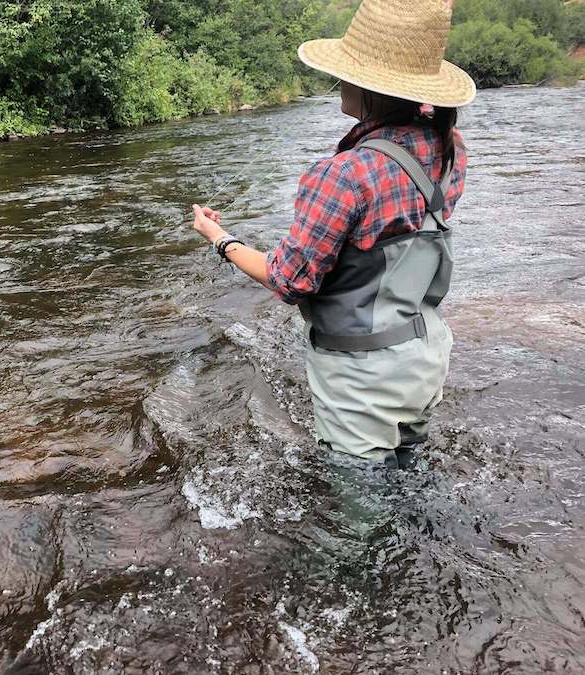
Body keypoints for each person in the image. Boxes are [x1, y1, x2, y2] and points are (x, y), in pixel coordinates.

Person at [190, 0, 476, 466]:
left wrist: (219, 238)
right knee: (408, 474)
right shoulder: (449, 147)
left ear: (367, 86)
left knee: (358, 513)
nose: (339, 80)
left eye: (346, 71)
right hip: (425, 353)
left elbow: (290, 280)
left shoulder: (344, 174)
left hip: (361, 375)